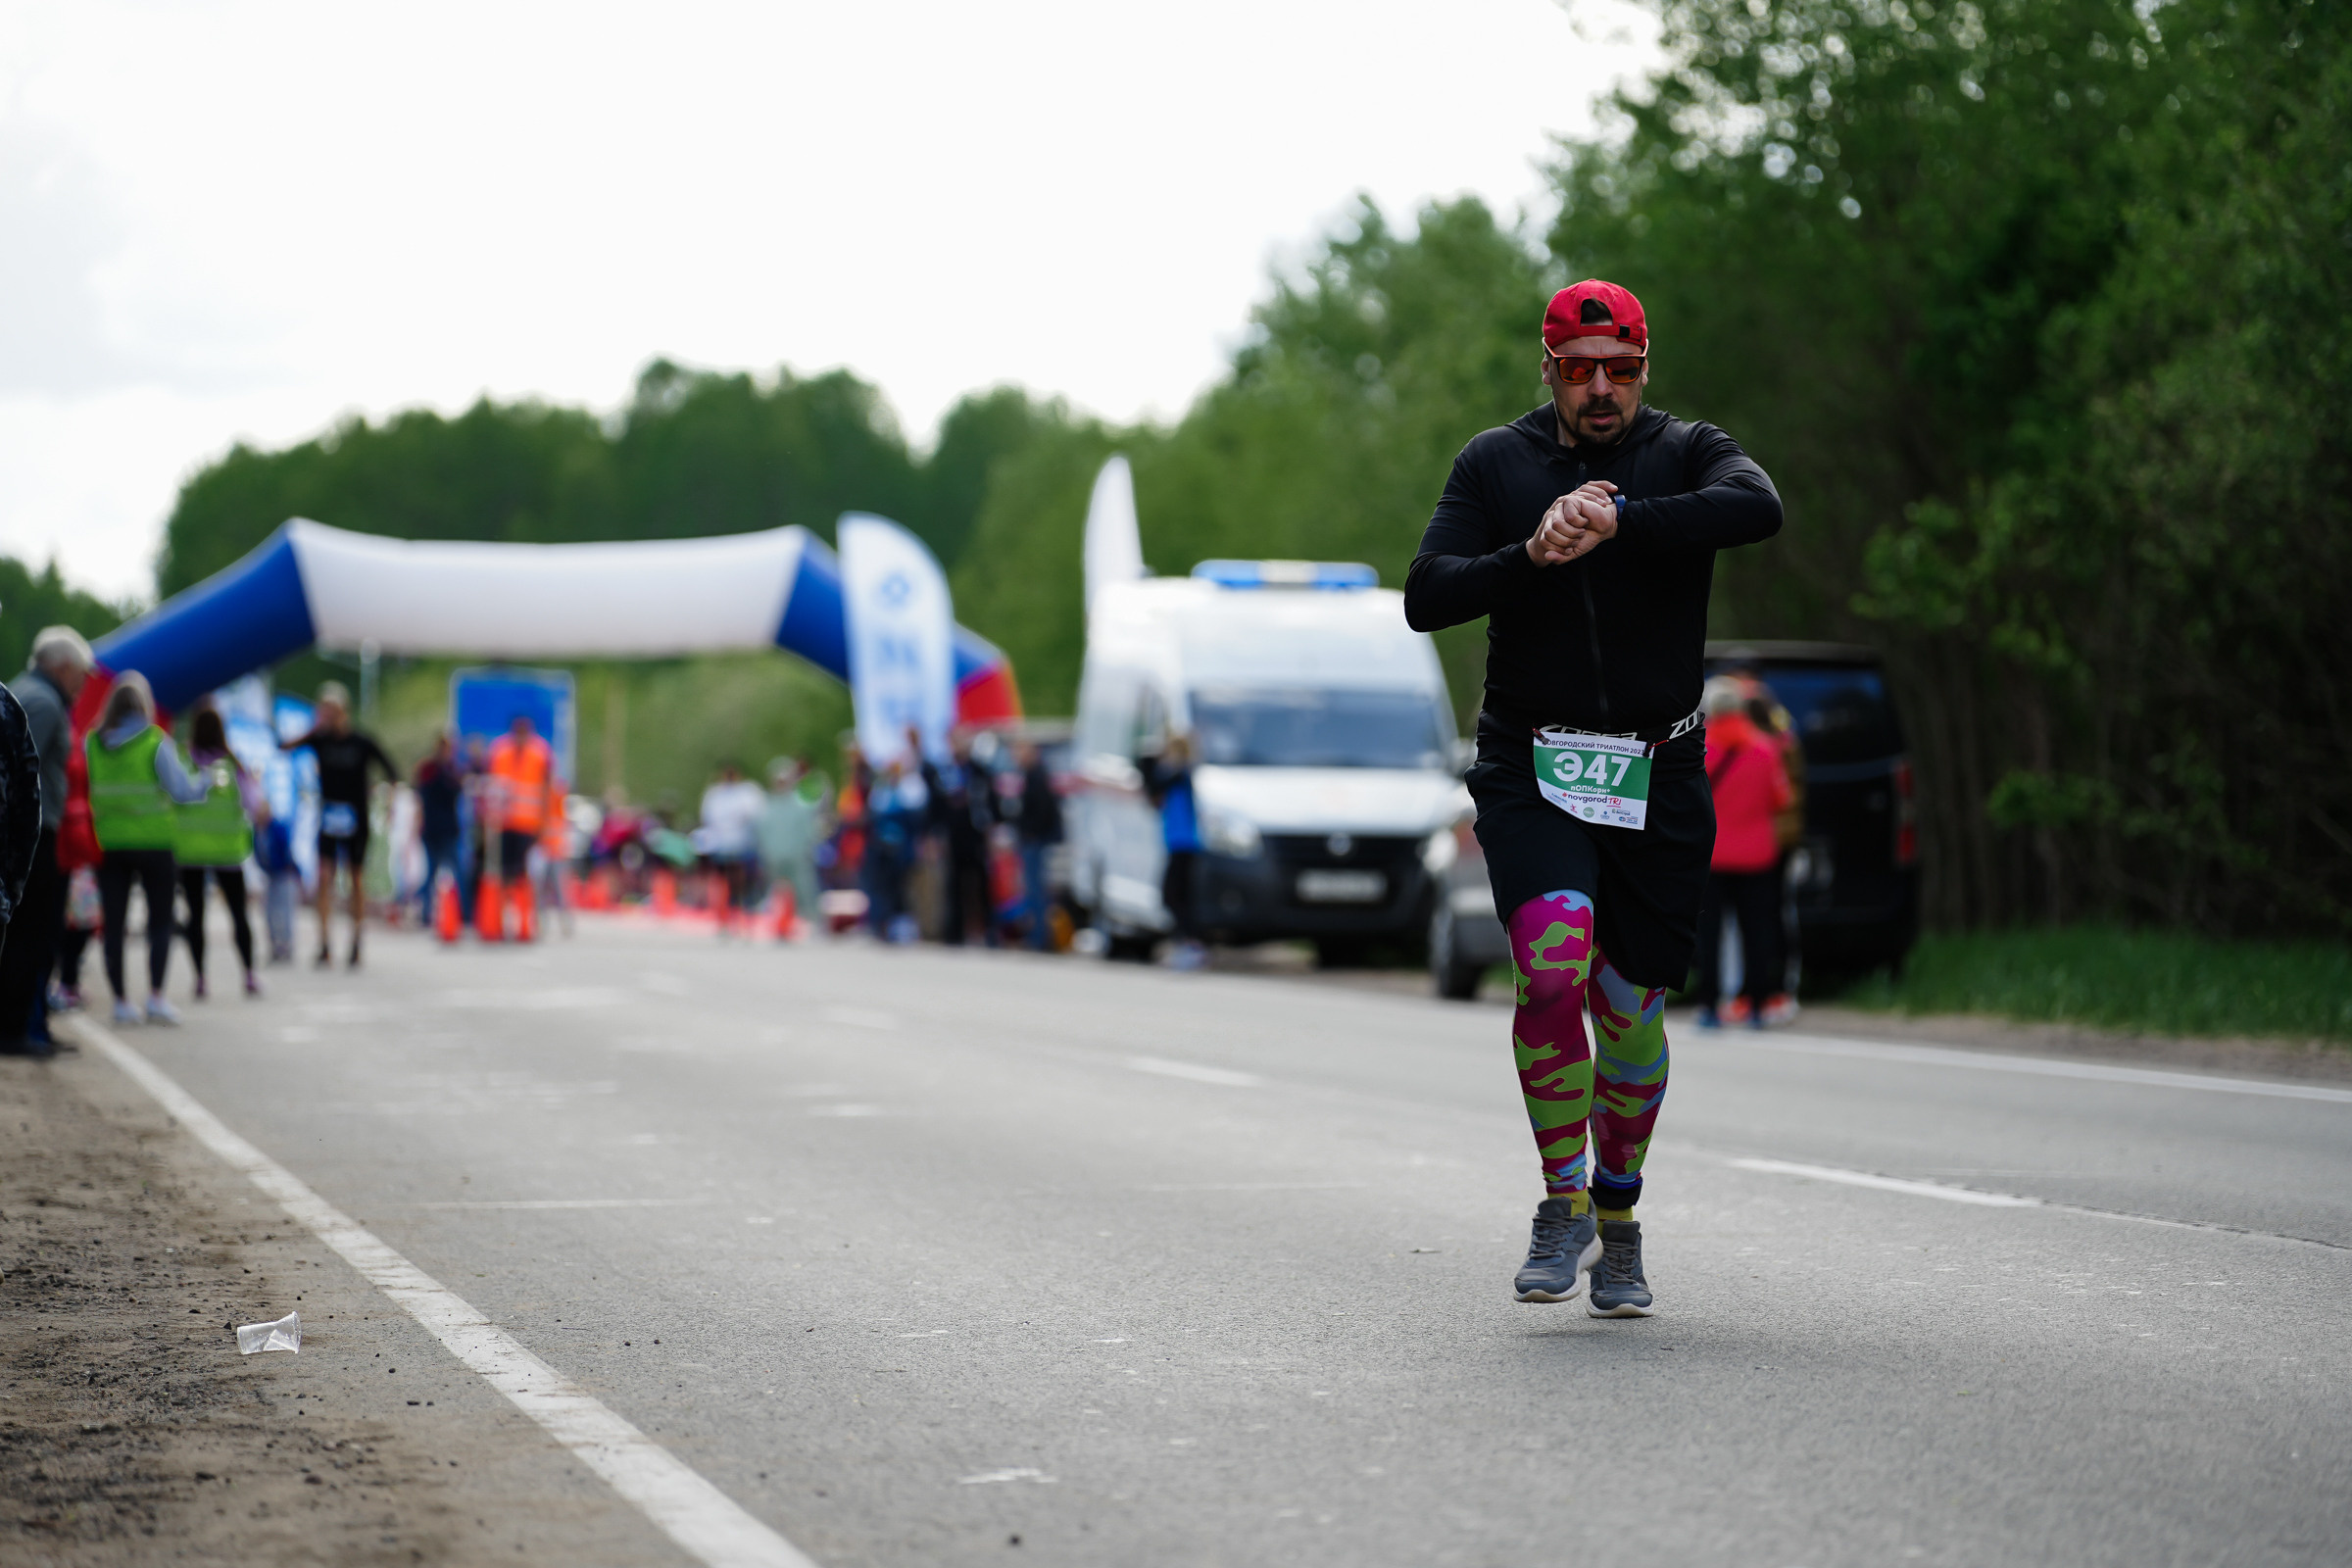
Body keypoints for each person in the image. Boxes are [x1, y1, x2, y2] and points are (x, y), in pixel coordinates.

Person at [1403, 277, 1782, 1315]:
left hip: (1656, 769)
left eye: (1621, 369)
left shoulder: (1687, 450)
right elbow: (1425, 594)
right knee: (1556, 963)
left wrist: (1618, 519)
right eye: (1581, 371)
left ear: (1644, 370)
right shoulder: (1497, 461)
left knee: (1629, 1010)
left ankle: (1619, 1215)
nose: (1602, 389)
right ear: (1551, 372)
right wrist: (1529, 551)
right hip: (1533, 764)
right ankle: (1559, 1197)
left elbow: (1760, 506)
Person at [85, 672, 210, 1025]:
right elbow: (183, 792)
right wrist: (204, 781)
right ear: (145, 705)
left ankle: (121, 1001)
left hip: (109, 843)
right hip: (154, 843)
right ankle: (155, 997)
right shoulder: (156, 743)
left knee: (114, 924)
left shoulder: (92, 742)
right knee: (159, 921)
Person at [0, 626, 93, 1054]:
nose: (83, 684)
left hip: (35, 832)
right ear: (62, 667)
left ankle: (29, 1024)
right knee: (30, 934)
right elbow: (21, 772)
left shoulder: (33, 696)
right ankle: (16, 1029)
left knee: (35, 934)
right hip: (33, 836)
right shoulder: (40, 702)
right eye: (81, 674)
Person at [1692, 678, 1792, 1030]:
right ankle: (1757, 1005)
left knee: (1710, 935)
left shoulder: (1701, 749)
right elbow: (1782, 800)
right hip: (1757, 857)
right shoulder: (1766, 749)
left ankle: (1708, 1006)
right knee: (1758, 931)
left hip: (1713, 857)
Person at [279, 682, 398, 967]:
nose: (328, 716)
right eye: (323, 711)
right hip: (329, 816)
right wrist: (313, 730)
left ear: (344, 711)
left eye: (332, 711)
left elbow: (392, 771)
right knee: (324, 877)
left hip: (356, 818)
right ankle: (324, 943)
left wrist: (389, 801)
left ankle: (357, 940)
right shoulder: (319, 739)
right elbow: (283, 747)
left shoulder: (361, 742)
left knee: (356, 878)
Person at [174, 704, 262, 1000]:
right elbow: (252, 803)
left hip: (190, 851)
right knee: (239, 914)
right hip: (228, 852)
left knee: (195, 916)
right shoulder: (234, 764)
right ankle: (249, 974)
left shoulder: (183, 760)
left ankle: (200, 978)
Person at [480, 713, 559, 942]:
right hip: (503, 824)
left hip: (528, 826)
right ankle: (497, 923)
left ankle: (525, 925)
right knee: (502, 875)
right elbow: (492, 786)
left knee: (523, 876)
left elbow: (546, 789)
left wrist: (544, 823)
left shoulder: (540, 753)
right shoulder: (500, 751)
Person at [922, 729, 996, 947]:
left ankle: (988, 931)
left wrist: (992, 830)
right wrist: (932, 835)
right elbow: (934, 806)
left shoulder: (978, 770)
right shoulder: (944, 771)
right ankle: (955, 933)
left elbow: (990, 802)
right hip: (953, 835)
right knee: (954, 884)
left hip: (975, 834)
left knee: (981, 884)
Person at [1142, 732, 1205, 970]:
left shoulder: (1182, 774)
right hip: (1175, 842)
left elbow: (1157, 782)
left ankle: (1189, 944)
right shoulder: (1178, 775)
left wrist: (1156, 761)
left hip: (1185, 843)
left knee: (1174, 896)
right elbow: (1151, 791)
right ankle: (1185, 942)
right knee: (1176, 897)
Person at [756, 759, 825, 937]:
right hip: (775, 857)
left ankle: (817, 926)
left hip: (797, 857)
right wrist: (765, 853)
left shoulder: (801, 804)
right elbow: (762, 832)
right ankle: (779, 926)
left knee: (806, 892)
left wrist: (807, 850)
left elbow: (809, 831)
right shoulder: (767, 805)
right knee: (776, 894)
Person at [697, 761, 766, 933]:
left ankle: (743, 917)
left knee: (743, 884)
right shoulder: (715, 794)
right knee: (724, 884)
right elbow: (708, 818)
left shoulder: (748, 792)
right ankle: (725, 919)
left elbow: (757, 816)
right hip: (722, 847)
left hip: (743, 846)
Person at [1009, 739, 1063, 953]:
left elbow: (1042, 812)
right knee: (1033, 891)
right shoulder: (1032, 776)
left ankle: (1040, 938)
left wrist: (1030, 832)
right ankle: (1038, 935)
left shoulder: (1037, 777)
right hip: (1033, 839)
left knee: (1036, 891)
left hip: (1035, 841)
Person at [413, 730, 467, 927]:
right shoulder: (429, 769)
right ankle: (425, 913)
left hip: (449, 829)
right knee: (432, 872)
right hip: (434, 828)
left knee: (457, 872)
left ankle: (463, 913)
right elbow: (420, 798)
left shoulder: (453, 770)